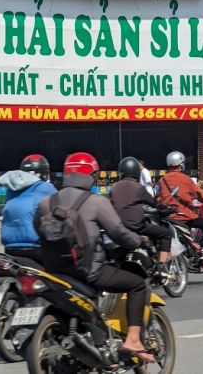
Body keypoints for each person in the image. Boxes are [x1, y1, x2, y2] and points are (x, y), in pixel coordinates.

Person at [35, 152, 152, 362]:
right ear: (91, 175)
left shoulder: (46, 202)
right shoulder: (96, 201)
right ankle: (133, 339)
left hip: (54, 272)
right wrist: (139, 241)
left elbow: (38, 232)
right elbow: (119, 233)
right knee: (137, 285)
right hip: (88, 272)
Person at [157, 151, 203, 264]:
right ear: (181, 165)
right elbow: (200, 195)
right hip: (182, 216)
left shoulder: (162, 180)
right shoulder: (186, 179)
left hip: (166, 217)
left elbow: (157, 198)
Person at [110, 156, 172, 268]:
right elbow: (154, 203)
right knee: (166, 234)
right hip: (136, 226)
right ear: (136, 172)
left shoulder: (114, 187)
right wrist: (166, 209)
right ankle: (162, 266)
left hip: (118, 227)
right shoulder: (138, 187)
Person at [0, 154, 57, 263]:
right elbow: (59, 209)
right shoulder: (46, 188)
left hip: (10, 247)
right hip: (35, 247)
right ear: (44, 174)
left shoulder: (11, 189)